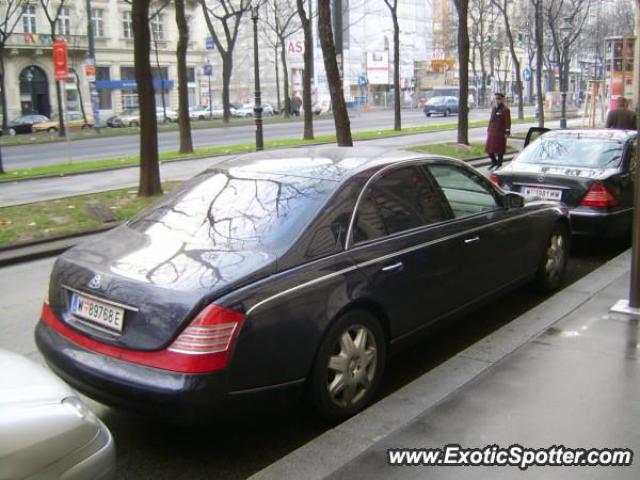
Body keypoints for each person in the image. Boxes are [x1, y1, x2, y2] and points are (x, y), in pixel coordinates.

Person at [485, 92, 511, 170]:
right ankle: (494, 162)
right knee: (489, 150)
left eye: (499, 99)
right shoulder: (494, 108)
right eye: (496, 98)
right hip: (492, 132)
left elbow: (508, 122)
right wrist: (488, 129)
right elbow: (491, 120)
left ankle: (499, 164)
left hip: (500, 133)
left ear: (502, 100)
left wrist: (507, 132)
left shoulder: (505, 109)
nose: (497, 100)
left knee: (500, 150)